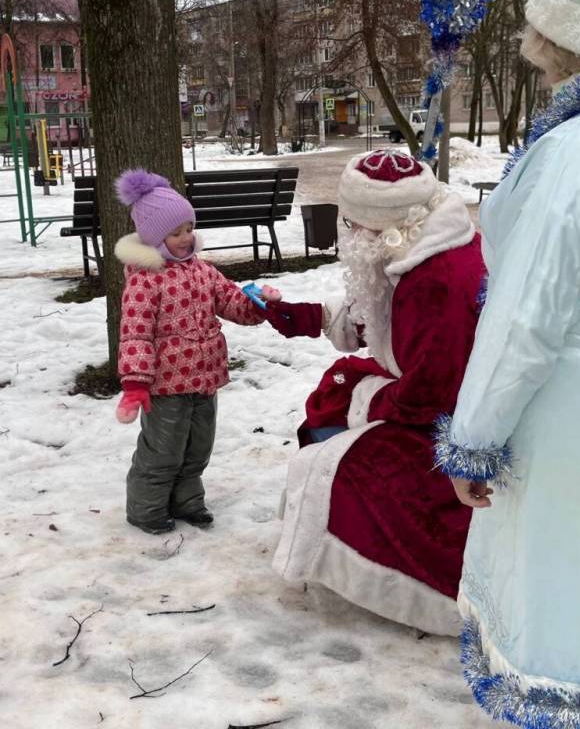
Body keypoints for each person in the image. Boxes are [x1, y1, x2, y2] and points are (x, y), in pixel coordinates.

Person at [434, 0, 580, 724]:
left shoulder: (576, 154)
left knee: (569, 621)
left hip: (575, 426)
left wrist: (474, 438)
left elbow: (527, 318)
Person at [266, 149, 486, 636]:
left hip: (459, 429)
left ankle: (406, 582)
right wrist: (309, 317)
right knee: (336, 389)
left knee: (338, 458)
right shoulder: (418, 242)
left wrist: (363, 398)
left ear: (377, 226)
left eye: (351, 223)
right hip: (434, 398)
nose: (347, 233)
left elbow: (430, 397)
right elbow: (376, 306)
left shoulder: (438, 283)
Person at [114, 169, 280, 535]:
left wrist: (257, 304)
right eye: (176, 233)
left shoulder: (202, 271)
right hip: (165, 384)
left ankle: (187, 501)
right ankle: (146, 508)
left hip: (204, 378)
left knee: (198, 447)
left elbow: (231, 300)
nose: (186, 238)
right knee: (163, 450)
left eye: (189, 228)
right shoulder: (145, 279)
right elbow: (135, 333)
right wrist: (135, 383)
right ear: (155, 238)